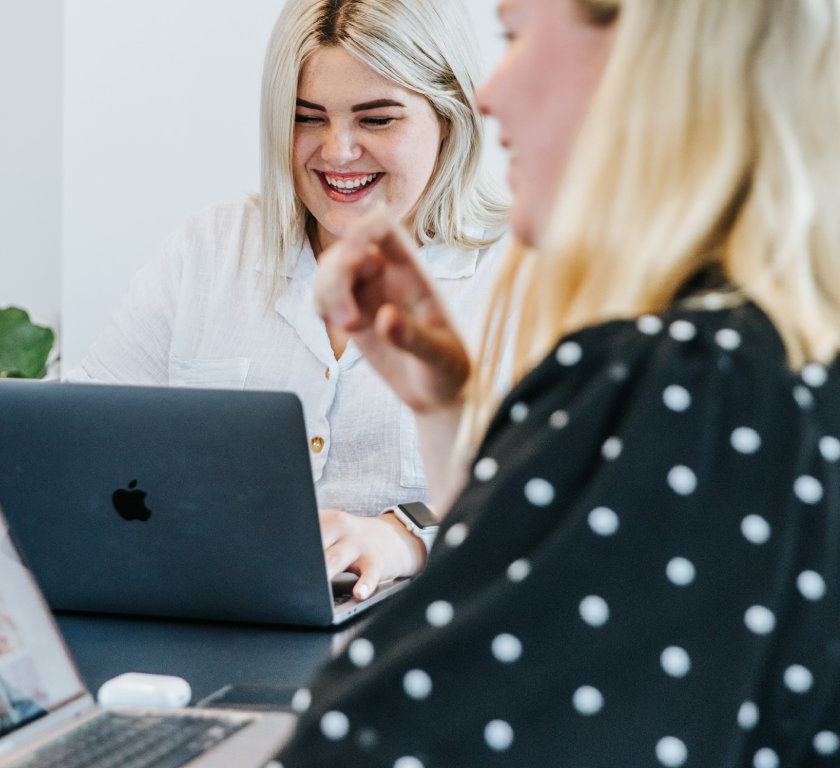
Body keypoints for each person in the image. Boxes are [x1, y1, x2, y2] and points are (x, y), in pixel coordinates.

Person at [272, 0, 840, 765]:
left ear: (643, 64)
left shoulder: (677, 382)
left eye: (516, 37)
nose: (486, 95)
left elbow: (370, 746)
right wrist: (443, 413)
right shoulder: (777, 362)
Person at [67, 0, 510, 597]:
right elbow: (79, 436)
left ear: (450, 120)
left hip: (412, 644)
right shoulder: (208, 251)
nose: (336, 151)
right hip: (208, 618)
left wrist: (407, 537)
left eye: (376, 120)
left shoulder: (523, 276)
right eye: (307, 117)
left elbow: (562, 500)